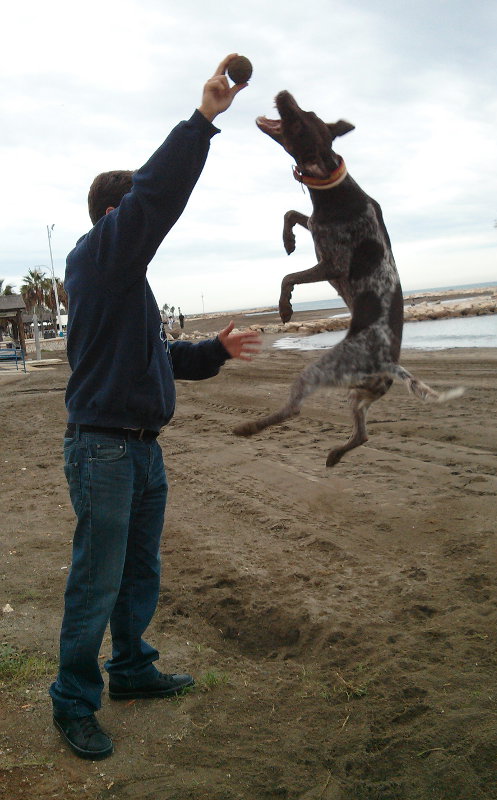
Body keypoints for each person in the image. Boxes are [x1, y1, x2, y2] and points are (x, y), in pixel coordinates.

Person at [49, 54, 261, 761]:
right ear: (115, 217)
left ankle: (131, 670)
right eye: (131, 214)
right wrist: (201, 121)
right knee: (96, 576)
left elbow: (156, 361)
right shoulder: (99, 256)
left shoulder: (123, 287)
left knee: (138, 571)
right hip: (104, 448)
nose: (143, 227)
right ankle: (72, 702)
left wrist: (214, 351)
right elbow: (154, 197)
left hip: (140, 447)